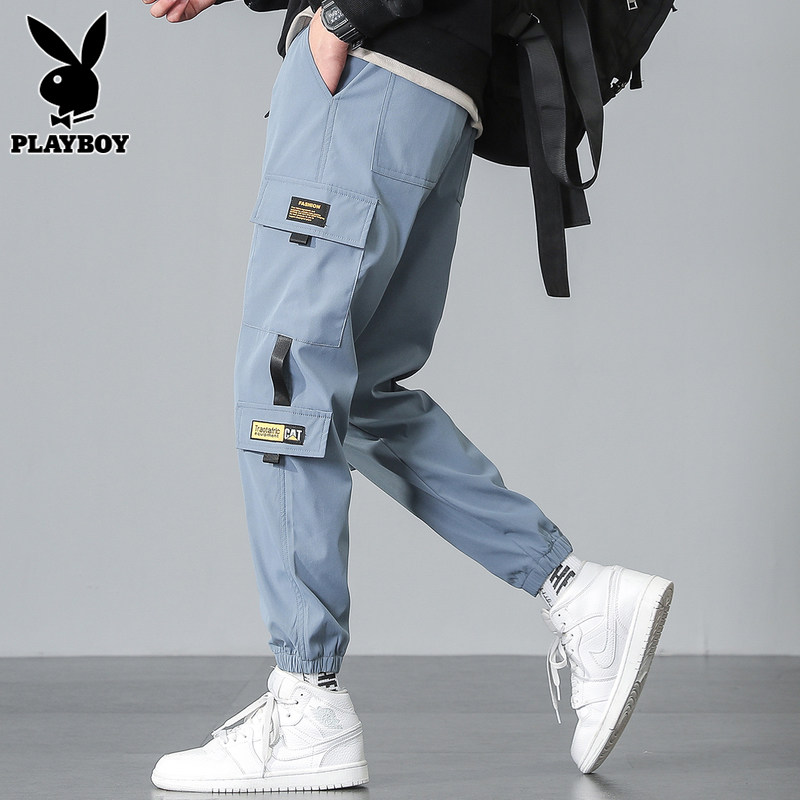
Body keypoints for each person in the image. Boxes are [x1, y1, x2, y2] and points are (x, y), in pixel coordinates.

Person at [144, 0, 674, 792]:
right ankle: (577, 592)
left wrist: (348, 15)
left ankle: (307, 703)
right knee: (354, 394)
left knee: (286, 384)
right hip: (435, 89)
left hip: (371, 69)